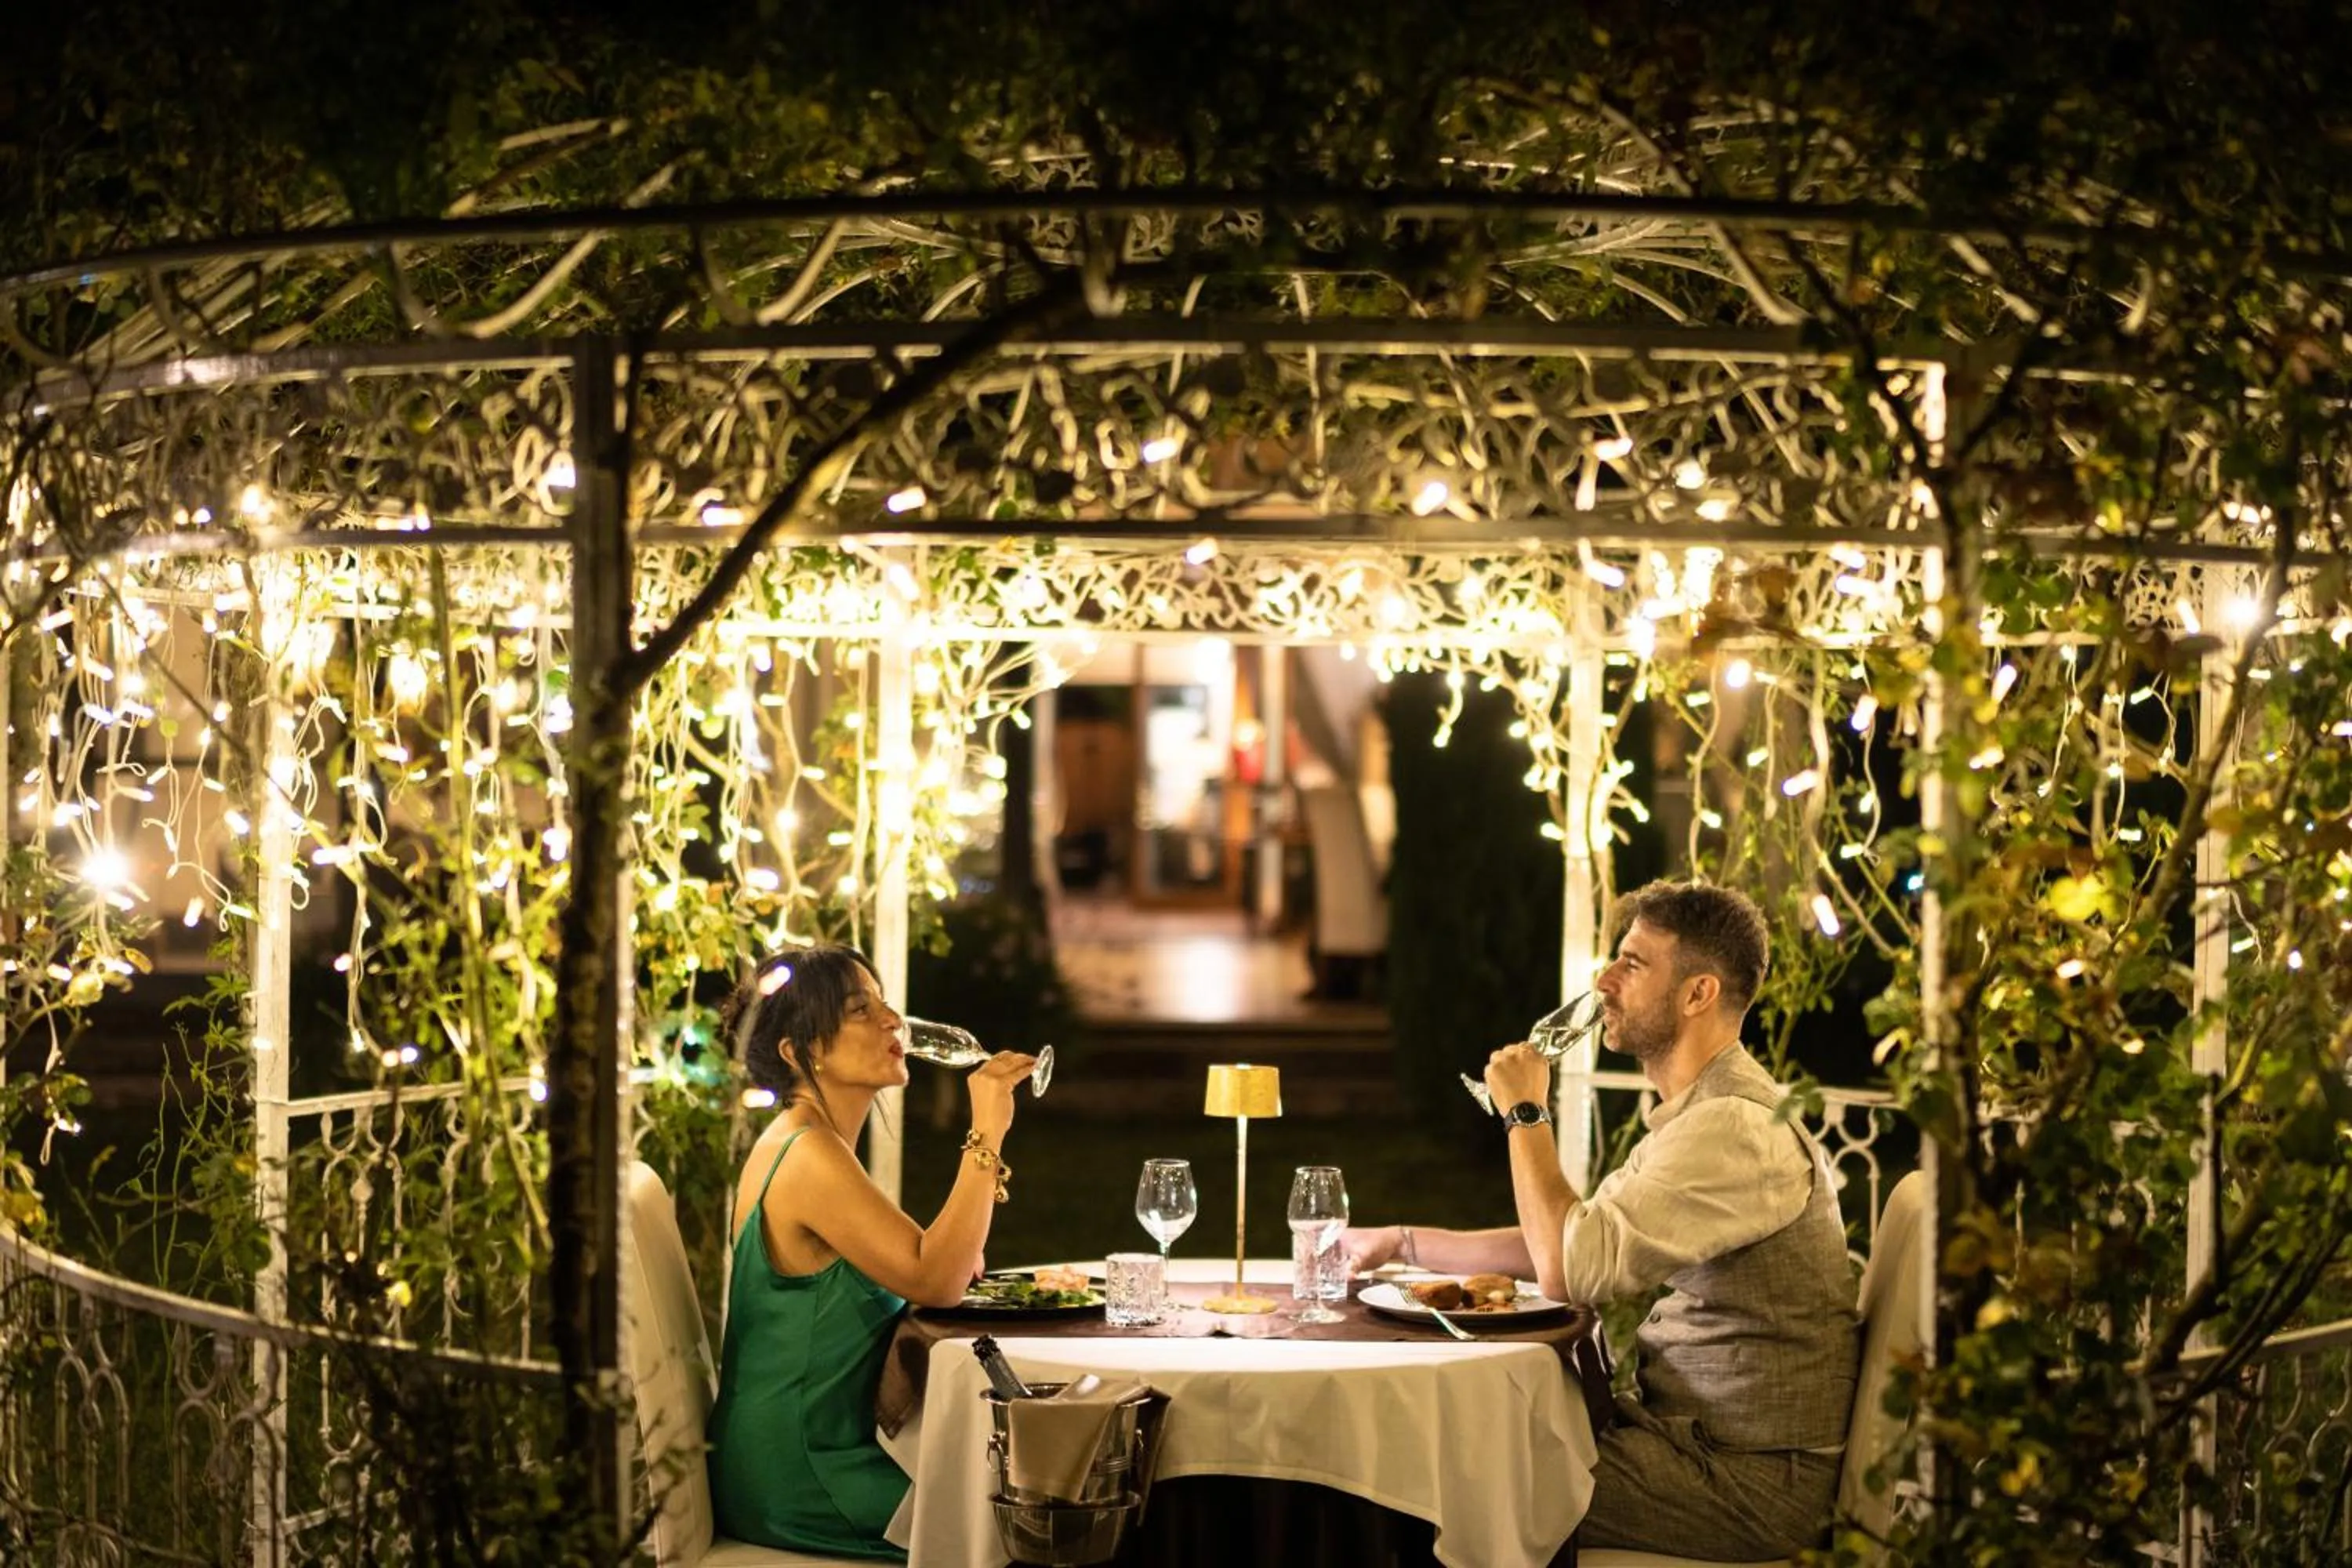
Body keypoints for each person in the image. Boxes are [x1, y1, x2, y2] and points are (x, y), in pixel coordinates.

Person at [1345, 880, 1860, 1559]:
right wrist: (1405, 1244)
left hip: (1747, 1482)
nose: (1604, 979)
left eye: (1633, 963)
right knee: (1455, 1441)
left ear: (1698, 993)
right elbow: (1576, 1236)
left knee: (1428, 1484)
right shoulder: (1705, 1114)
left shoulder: (1734, 1128)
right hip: (1689, 1444)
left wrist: (1525, 1115)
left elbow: (1568, 1270)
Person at [706, 944, 1036, 1561]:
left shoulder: (814, 1144)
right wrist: (987, 1127)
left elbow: (946, 1263)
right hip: (801, 1469)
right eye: (862, 1010)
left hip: (822, 1448)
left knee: (1029, 1498)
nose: (894, 1021)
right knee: (1028, 1525)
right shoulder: (806, 1153)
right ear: (797, 1051)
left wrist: (951, 1253)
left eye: (885, 1002)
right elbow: (938, 1278)